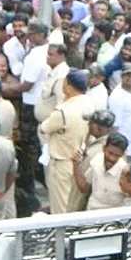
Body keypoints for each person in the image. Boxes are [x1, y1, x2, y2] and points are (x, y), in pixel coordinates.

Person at [39, 68, 91, 213]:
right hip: (78, 160)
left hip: (62, 162)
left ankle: (61, 236)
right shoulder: (87, 102)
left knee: (60, 208)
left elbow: (44, 128)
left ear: (68, 87)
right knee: (74, 204)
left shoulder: (63, 111)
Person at [72, 132, 129, 211]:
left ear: (122, 154)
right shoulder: (97, 159)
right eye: (110, 153)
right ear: (104, 148)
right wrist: (76, 165)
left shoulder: (124, 172)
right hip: (91, 212)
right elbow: (84, 188)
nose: (112, 158)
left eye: (117, 155)